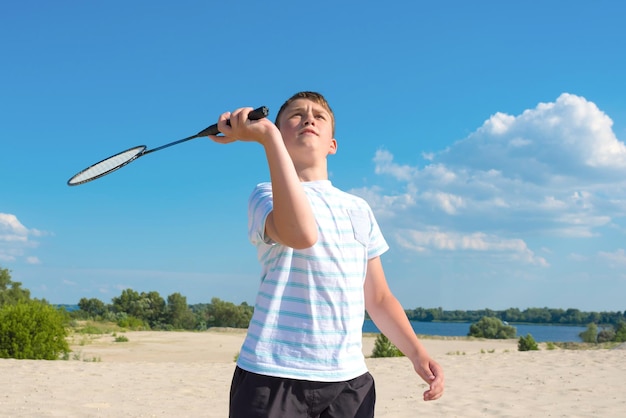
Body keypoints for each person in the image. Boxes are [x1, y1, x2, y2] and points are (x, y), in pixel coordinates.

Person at [209, 91, 444, 417]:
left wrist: (418, 353)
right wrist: (267, 139)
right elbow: (301, 234)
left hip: (348, 381)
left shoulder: (359, 209)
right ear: (279, 134)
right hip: (273, 374)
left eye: (318, 116)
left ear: (332, 144)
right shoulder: (264, 196)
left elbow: (377, 297)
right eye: (295, 115)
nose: (308, 119)